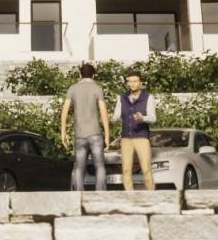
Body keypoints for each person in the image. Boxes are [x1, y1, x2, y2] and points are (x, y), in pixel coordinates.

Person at [61, 63, 110, 191]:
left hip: (79, 135)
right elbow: (104, 113)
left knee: (79, 167)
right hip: (95, 134)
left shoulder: (72, 88)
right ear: (94, 75)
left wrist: (63, 133)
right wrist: (107, 135)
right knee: (100, 166)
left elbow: (64, 112)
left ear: (80, 74)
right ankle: (100, 193)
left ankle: (78, 194)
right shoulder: (97, 88)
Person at [112, 69, 157, 191]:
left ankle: (152, 195)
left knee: (146, 169)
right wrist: (111, 119)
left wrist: (143, 118)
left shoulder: (148, 97)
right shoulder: (122, 98)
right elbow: (116, 116)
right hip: (126, 138)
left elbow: (153, 118)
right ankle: (130, 196)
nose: (132, 84)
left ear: (141, 83)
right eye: (130, 82)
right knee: (126, 170)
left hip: (141, 137)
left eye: (135, 81)